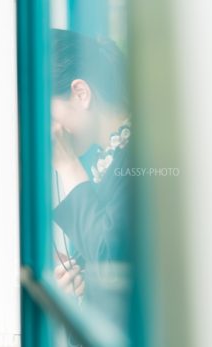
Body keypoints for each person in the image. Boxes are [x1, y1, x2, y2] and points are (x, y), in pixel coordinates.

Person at [50, 29, 131, 332]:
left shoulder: (136, 157)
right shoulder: (110, 154)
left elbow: (109, 256)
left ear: (80, 93)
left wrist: (68, 164)